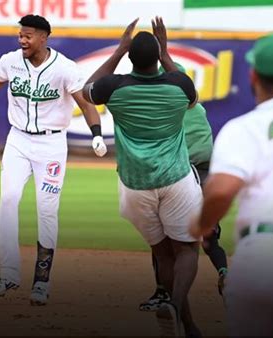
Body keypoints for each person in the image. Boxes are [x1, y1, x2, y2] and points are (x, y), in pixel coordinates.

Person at [0, 14, 106, 306]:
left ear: (44, 37)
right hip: (18, 139)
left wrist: (96, 133)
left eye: (28, 35)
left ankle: (42, 281)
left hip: (52, 143)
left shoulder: (65, 68)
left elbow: (85, 102)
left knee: (46, 209)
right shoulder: (10, 61)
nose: (22, 40)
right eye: (20, 35)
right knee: (8, 199)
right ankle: (8, 273)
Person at [83, 17, 202, 337]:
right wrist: (165, 53)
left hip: (135, 185)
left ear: (131, 58)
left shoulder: (115, 88)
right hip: (176, 179)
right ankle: (176, 307)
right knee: (188, 250)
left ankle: (185, 323)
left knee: (163, 252)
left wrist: (118, 50)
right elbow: (189, 93)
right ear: (158, 59)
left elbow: (86, 90)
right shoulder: (179, 85)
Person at [191, 34, 273, 337]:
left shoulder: (243, 129)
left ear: (253, 75)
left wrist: (203, 225)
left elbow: (221, 190)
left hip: (263, 253)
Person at [140, 63, 228, 312]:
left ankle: (162, 294)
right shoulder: (197, 108)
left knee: (162, 238)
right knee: (209, 237)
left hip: (184, 176)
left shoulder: (166, 113)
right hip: (207, 172)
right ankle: (225, 274)